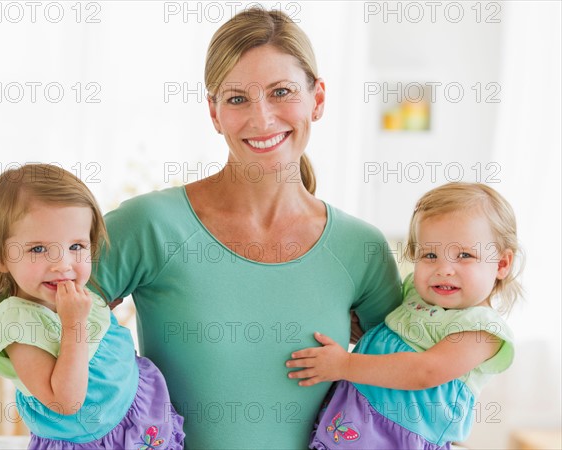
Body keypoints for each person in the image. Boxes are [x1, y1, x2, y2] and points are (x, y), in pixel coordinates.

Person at [92, 8, 402, 448]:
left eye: (281, 92)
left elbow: (406, 382)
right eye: (237, 98)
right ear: (214, 113)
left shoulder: (360, 248)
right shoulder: (148, 225)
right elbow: (36, 317)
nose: (261, 119)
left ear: (318, 99)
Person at [287, 182, 523, 449]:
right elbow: (398, 343)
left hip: (398, 438)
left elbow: (424, 370)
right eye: (430, 254)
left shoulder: (481, 330)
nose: (444, 269)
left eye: (465, 255)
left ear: (502, 264)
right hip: (350, 418)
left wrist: (344, 365)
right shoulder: (416, 296)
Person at [0, 164, 185, 449]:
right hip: (92, 440)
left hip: (135, 416)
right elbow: (66, 402)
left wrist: (95, 311)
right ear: (0, 257)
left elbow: (90, 342)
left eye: (76, 246)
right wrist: (74, 323)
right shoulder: (16, 324)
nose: (63, 264)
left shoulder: (69, 294)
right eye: (38, 249)